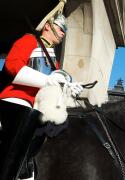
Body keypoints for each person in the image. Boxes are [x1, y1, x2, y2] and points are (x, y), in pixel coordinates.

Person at [0, 7, 83, 180]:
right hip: (17, 99)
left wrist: (68, 89)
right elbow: (12, 65)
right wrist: (46, 80)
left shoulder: (54, 60)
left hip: (37, 108)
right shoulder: (29, 40)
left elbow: (54, 89)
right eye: (61, 29)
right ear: (48, 26)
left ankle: (28, 167)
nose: (62, 34)